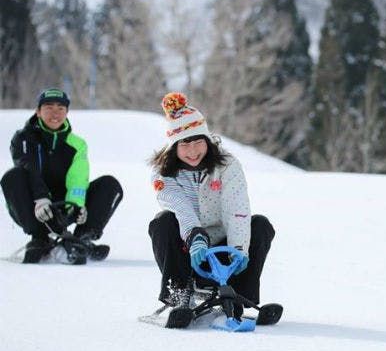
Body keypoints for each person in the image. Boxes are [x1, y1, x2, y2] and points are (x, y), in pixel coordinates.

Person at [148, 92, 275, 322]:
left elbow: (236, 208)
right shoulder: (164, 175)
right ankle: (178, 296)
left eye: (198, 141)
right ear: (174, 146)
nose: (193, 150)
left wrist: (238, 249)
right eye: (185, 143)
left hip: (226, 254)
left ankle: (238, 297)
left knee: (260, 225)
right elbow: (180, 208)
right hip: (190, 251)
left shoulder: (227, 166)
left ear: (207, 141)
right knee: (162, 222)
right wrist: (195, 238)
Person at [1, 88, 123, 264]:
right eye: (49, 107)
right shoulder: (23, 138)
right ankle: (40, 237)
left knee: (110, 185)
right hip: (34, 207)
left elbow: (78, 178)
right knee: (12, 177)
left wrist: (77, 207)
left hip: (65, 206)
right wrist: (41, 199)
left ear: (67, 112)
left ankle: (82, 238)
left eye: (60, 108)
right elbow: (28, 169)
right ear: (38, 111)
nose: (55, 113)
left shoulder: (77, 144)